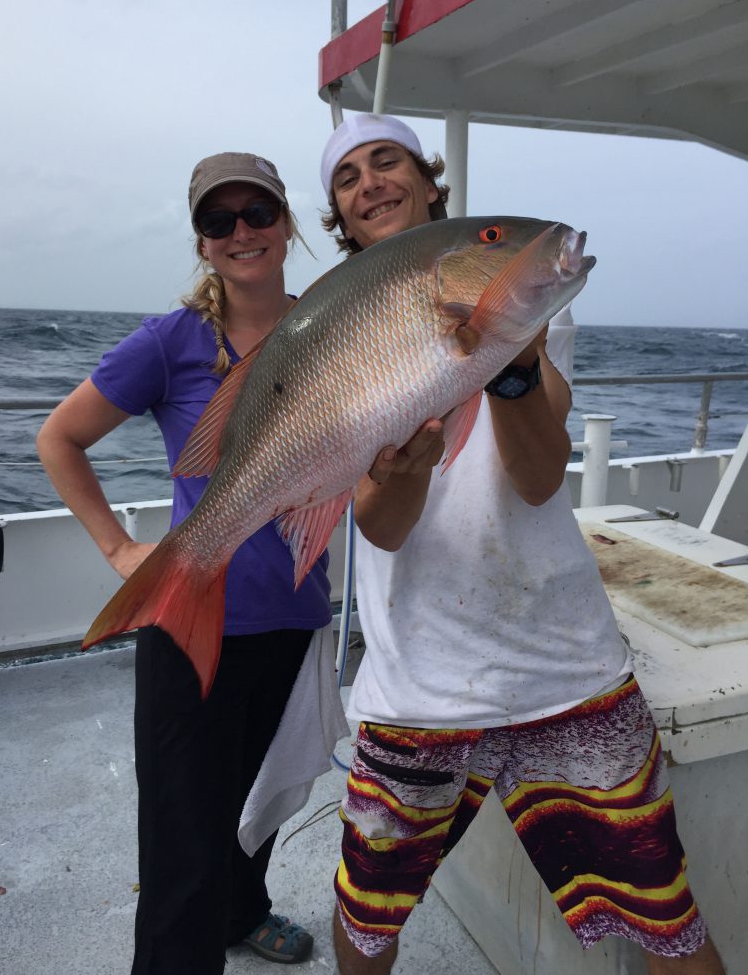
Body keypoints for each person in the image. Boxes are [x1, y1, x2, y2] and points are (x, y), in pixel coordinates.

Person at [319, 113, 725, 975]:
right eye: (346, 179)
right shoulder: (344, 341)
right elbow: (381, 526)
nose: (368, 183)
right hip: (417, 687)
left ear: (431, 182)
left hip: (564, 666)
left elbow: (540, 477)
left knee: (669, 920)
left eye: (384, 161)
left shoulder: (527, 301)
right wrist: (406, 470)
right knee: (365, 924)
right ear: (343, 220)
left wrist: (507, 366)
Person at [37, 153, 329, 973]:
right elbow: (59, 438)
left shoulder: (331, 330)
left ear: (285, 224)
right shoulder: (171, 342)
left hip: (298, 617)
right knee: (182, 836)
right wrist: (120, 548)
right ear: (202, 243)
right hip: (189, 619)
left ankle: (244, 913)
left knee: (261, 800)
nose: (242, 232)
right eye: (218, 220)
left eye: (258, 213)